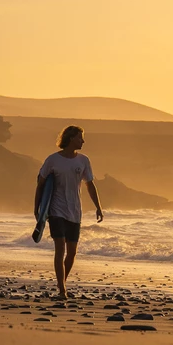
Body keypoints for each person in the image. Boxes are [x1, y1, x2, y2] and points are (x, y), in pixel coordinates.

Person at [35, 125, 103, 299]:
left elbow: (90, 184)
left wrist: (98, 206)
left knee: (72, 252)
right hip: (56, 211)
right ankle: (62, 291)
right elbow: (41, 183)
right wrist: (38, 209)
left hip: (75, 211)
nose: (83, 141)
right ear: (71, 138)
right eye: (80, 137)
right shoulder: (52, 160)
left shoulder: (83, 160)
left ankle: (61, 284)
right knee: (60, 250)